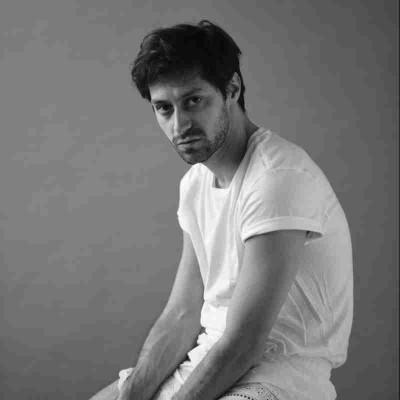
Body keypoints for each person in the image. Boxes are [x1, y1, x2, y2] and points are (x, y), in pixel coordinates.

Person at [89, 20, 353, 400]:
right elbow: (181, 315)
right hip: (209, 362)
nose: (179, 125)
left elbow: (245, 343)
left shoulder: (277, 178)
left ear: (232, 89)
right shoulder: (195, 184)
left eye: (193, 101)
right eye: (164, 108)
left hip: (278, 379)